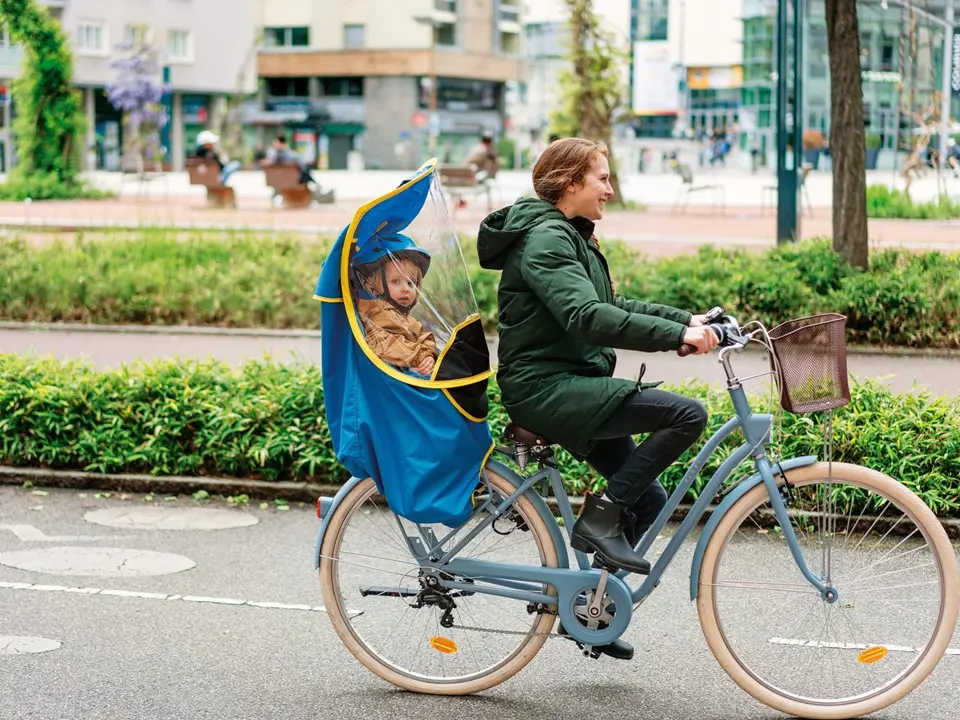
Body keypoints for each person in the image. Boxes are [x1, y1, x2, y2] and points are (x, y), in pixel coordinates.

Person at [477, 137, 718, 660]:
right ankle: (600, 519)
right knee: (685, 414)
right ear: (570, 184)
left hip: (570, 382)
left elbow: (608, 304)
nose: (610, 189)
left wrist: (687, 321)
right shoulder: (545, 239)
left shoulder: (570, 236)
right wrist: (673, 339)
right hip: (546, 388)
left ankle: (588, 608)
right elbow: (586, 318)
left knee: (649, 499)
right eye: (602, 178)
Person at [351, 234, 438, 378]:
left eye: (411, 283)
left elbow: (424, 336)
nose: (406, 289)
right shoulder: (376, 313)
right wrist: (419, 356)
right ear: (372, 285)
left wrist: (428, 355)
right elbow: (382, 343)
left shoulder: (403, 317)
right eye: (396, 281)